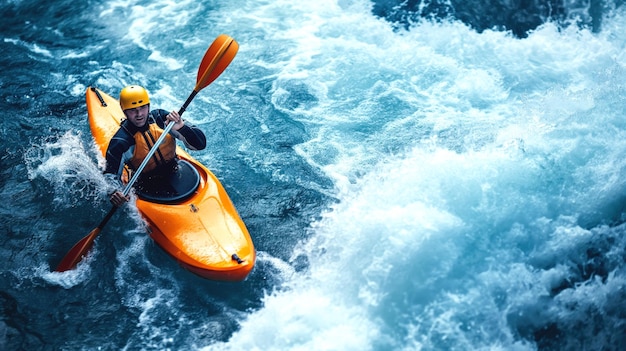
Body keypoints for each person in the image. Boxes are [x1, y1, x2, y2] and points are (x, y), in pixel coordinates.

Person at [105, 85, 206, 207]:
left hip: (176, 172)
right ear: (124, 111)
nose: (139, 114)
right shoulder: (121, 142)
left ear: (148, 106)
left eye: (143, 107)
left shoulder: (162, 119)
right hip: (146, 185)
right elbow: (110, 177)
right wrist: (115, 192)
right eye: (133, 110)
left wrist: (182, 128)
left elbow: (200, 144)